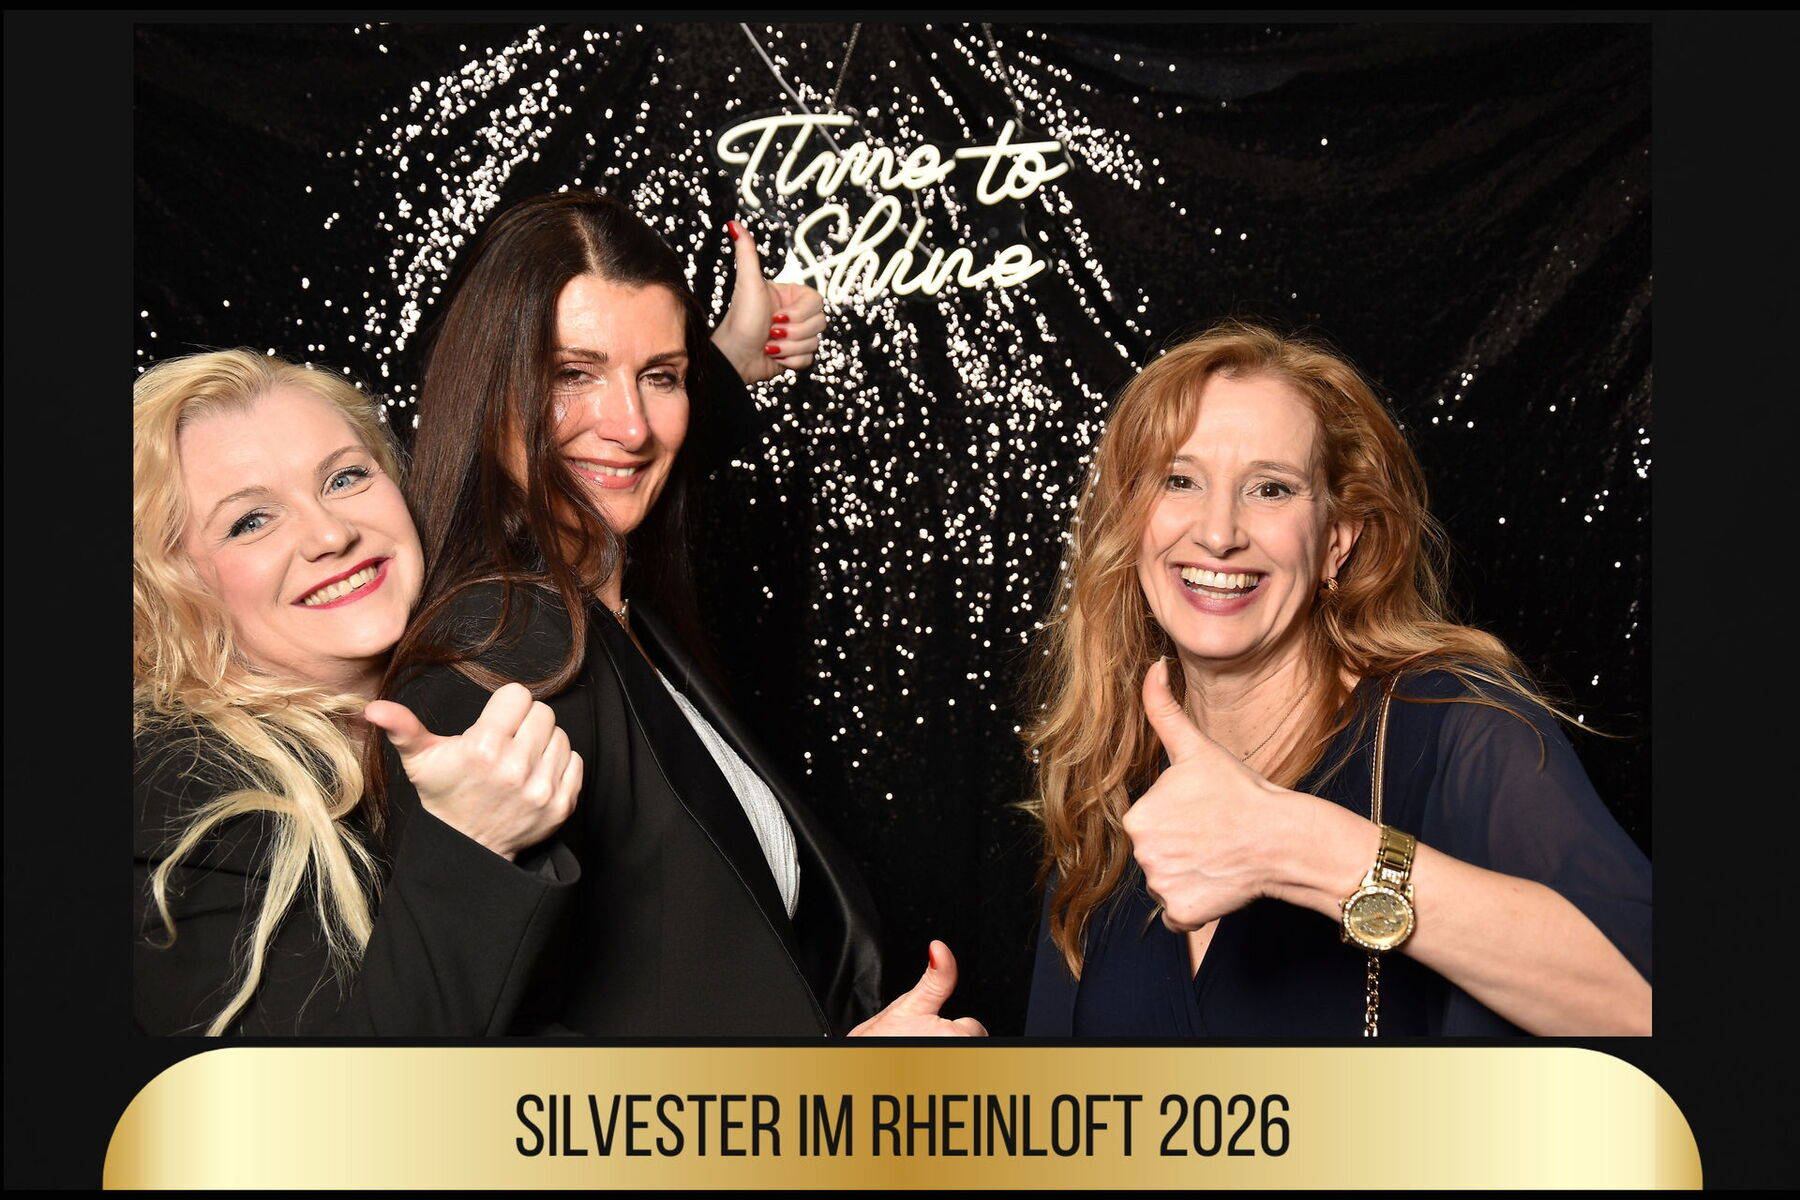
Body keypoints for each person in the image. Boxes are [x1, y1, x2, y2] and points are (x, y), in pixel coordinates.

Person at [377, 190, 984, 1037]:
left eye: (660, 376)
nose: (630, 425)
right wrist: (830, 1091)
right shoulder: (501, 662)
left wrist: (729, 359)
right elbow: (506, 1068)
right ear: (493, 387)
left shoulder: (616, 616)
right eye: (573, 374)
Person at [1023, 321, 1651, 1037]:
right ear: (1131, 522)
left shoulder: (1457, 726)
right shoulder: (1111, 780)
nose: (1219, 532)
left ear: (1336, 541)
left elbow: (1646, 1007)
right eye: (1180, 480)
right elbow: (1077, 1099)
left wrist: (1298, 845)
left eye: (1271, 488)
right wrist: (956, 1082)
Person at [133, 349, 584, 1035]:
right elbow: (338, 1100)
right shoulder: (175, 798)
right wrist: (473, 845)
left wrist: (713, 367)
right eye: (251, 521)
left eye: (344, 478)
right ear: (169, 590)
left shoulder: (472, 675)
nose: (331, 534)